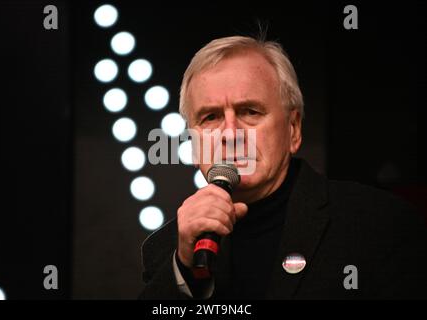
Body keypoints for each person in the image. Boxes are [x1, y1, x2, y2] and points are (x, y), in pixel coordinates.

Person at [138, 36, 427, 299]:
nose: (229, 133)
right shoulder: (167, 250)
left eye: (249, 112)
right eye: (210, 117)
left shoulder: (376, 223)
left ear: (293, 129)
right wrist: (186, 273)